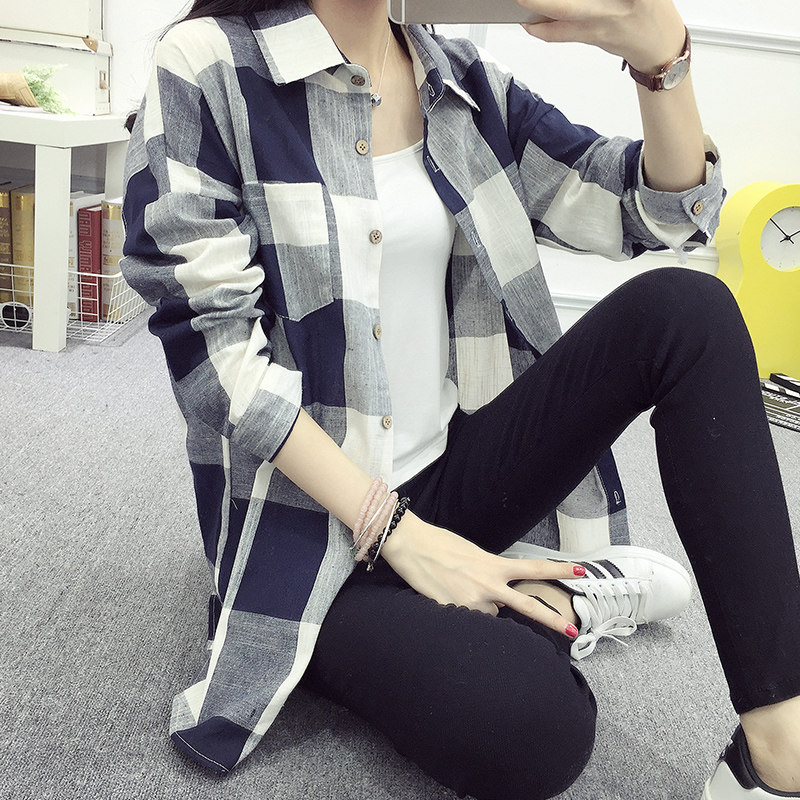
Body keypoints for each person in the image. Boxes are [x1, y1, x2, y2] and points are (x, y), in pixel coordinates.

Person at [120, 0, 800, 797]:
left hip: (452, 481)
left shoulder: (457, 79)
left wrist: (662, 62)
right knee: (534, 725)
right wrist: (396, 533)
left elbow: (655, 212)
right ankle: (553, 591)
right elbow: (218, 362)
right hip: (306, 530)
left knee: (689, 312)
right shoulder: (206, 65)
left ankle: (777, 750)